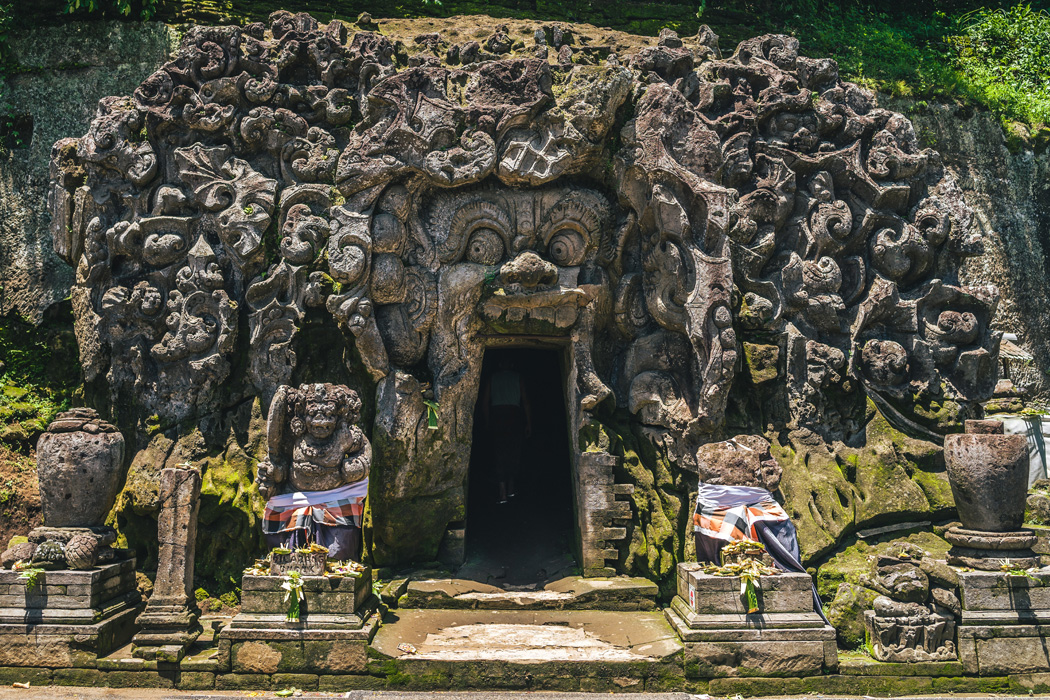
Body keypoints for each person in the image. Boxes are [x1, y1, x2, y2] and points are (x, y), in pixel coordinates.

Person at [480, 358, 532, 504]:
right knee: (514, 451)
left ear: (499, 364)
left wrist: (487, 421)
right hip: (514, 417)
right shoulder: (518, 378)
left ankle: (502, 492)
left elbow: (485, 402)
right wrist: (529, 423)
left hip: (498, 417)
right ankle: (511, 488)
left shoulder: (493, 378)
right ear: (512, 363)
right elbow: (526, 402)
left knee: (499, 452)